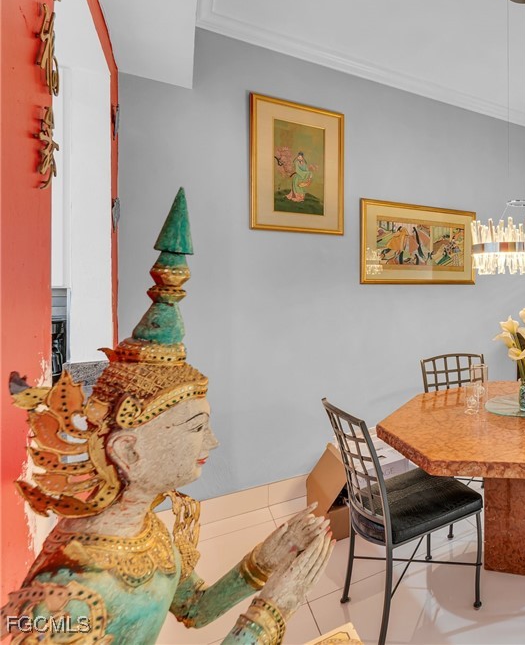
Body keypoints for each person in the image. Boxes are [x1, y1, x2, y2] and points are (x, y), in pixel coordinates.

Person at [2, 189, 332, 644]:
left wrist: (262, 563)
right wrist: (272, 611)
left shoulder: (146, 531)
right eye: (197, 427)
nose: (212, 442)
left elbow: (194, 608)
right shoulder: (67, 595)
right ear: (128, 449)